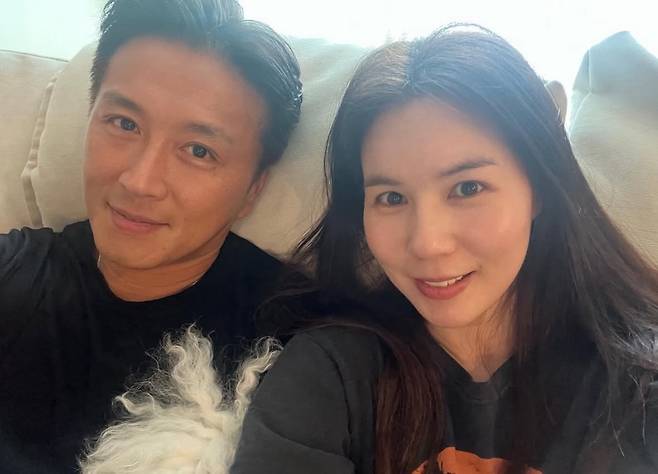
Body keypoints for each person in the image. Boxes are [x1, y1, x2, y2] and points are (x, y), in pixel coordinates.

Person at [230, 25, 658, 474]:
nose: (428, 244)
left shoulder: (636, 388)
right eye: (391, 198)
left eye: (467, 188)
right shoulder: (330, 374)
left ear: (538, 189)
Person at [0, 0, 302, 472]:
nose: (139, 181)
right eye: (124, 124)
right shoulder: (12, 266)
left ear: (253, 189)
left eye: (198, 150)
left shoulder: (304, 343)